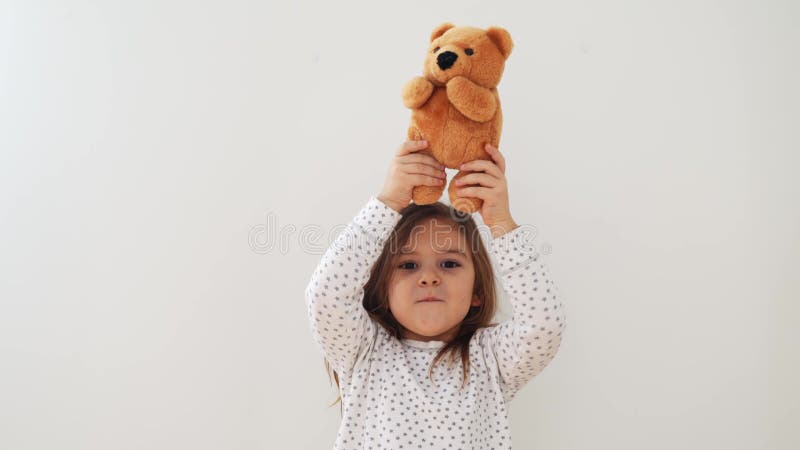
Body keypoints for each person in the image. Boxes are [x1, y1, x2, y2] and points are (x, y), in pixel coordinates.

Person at [305, 139, 566, 449]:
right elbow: (325, 297)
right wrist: (387, 202)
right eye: (408, 264)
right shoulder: (365, 350)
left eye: (449, 263)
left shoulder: (491, 358)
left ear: (477, 293)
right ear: (383, 288)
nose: (429, 277)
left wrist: (500, 223)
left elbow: (544, 325)